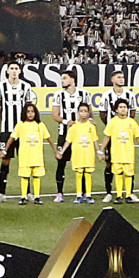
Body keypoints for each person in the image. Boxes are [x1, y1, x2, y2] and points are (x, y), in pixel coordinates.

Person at [0, 62, 32, 200]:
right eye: (12, 69)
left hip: (23, 131)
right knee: (5, 159)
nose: (14, 71)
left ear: (20, 71)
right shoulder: (0, 86)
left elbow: (29, 107)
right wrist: (4, 119)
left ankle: (27, 192)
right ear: (7, 71)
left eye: (16, 69)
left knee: (25, 160)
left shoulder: (26, 87)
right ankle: (1, 193)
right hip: (6, 129)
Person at [48, 68, 87, 204]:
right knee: (61, 162)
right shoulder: (58, 95)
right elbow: (55, 115)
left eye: (64, 78)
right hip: (63, 133)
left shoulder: (84, 94)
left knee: (82, 163)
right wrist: (66, 121)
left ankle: (83, 192)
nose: (62, 81)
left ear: (72, 79)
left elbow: (89, 112)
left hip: (80, 134)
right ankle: (60, 192)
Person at [95, 70, 136, 197]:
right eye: (119, 77)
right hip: (113, 135)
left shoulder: (130, 95)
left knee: (129, 162)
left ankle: (130, 193)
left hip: (127, 136)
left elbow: (133, 112)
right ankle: (109, 192)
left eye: (123, 77)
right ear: (112, 79)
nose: (121, 79)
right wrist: (111, 126)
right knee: (110, 162)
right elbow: (102, 113)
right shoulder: (106, 95)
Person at [6, 102, 50, 203]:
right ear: (24, 113)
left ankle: (37, 197)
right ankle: (23, 197)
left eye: (32, 112)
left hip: (37, 156)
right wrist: (5, 150)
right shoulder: (20, 125)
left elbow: (49, 138)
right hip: (25, 156)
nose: (30, 114)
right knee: (24, 176)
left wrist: (56, 150)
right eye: (28, 112)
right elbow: (12, 138)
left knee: (36, 176)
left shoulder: (40, 125)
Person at [103, 98, 139, 205]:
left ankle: (128, 195)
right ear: (116, 110)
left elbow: (138, 136)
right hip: (116, 153)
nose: (123, 109)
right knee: (118, 174)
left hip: (128, 153)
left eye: (125, 107)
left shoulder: (131, 122)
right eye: (121, 107)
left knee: (128, 174)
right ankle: (119, 195)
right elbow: (107, 137)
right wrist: (101, 150)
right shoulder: (112, 122)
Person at [60, 102, 100, 203]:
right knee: (78, 173)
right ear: (78, 112)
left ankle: (88, 195)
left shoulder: (91, 126)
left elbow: (95, 140)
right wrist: (62, 151)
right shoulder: (74, 126)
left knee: (88, 173)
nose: (83, 113)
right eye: (81, 111)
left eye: (85, 111)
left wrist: (99, 152)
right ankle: (78, 195)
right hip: (78, 154)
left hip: (88, 154)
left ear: (88, 113)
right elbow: (68, 140)